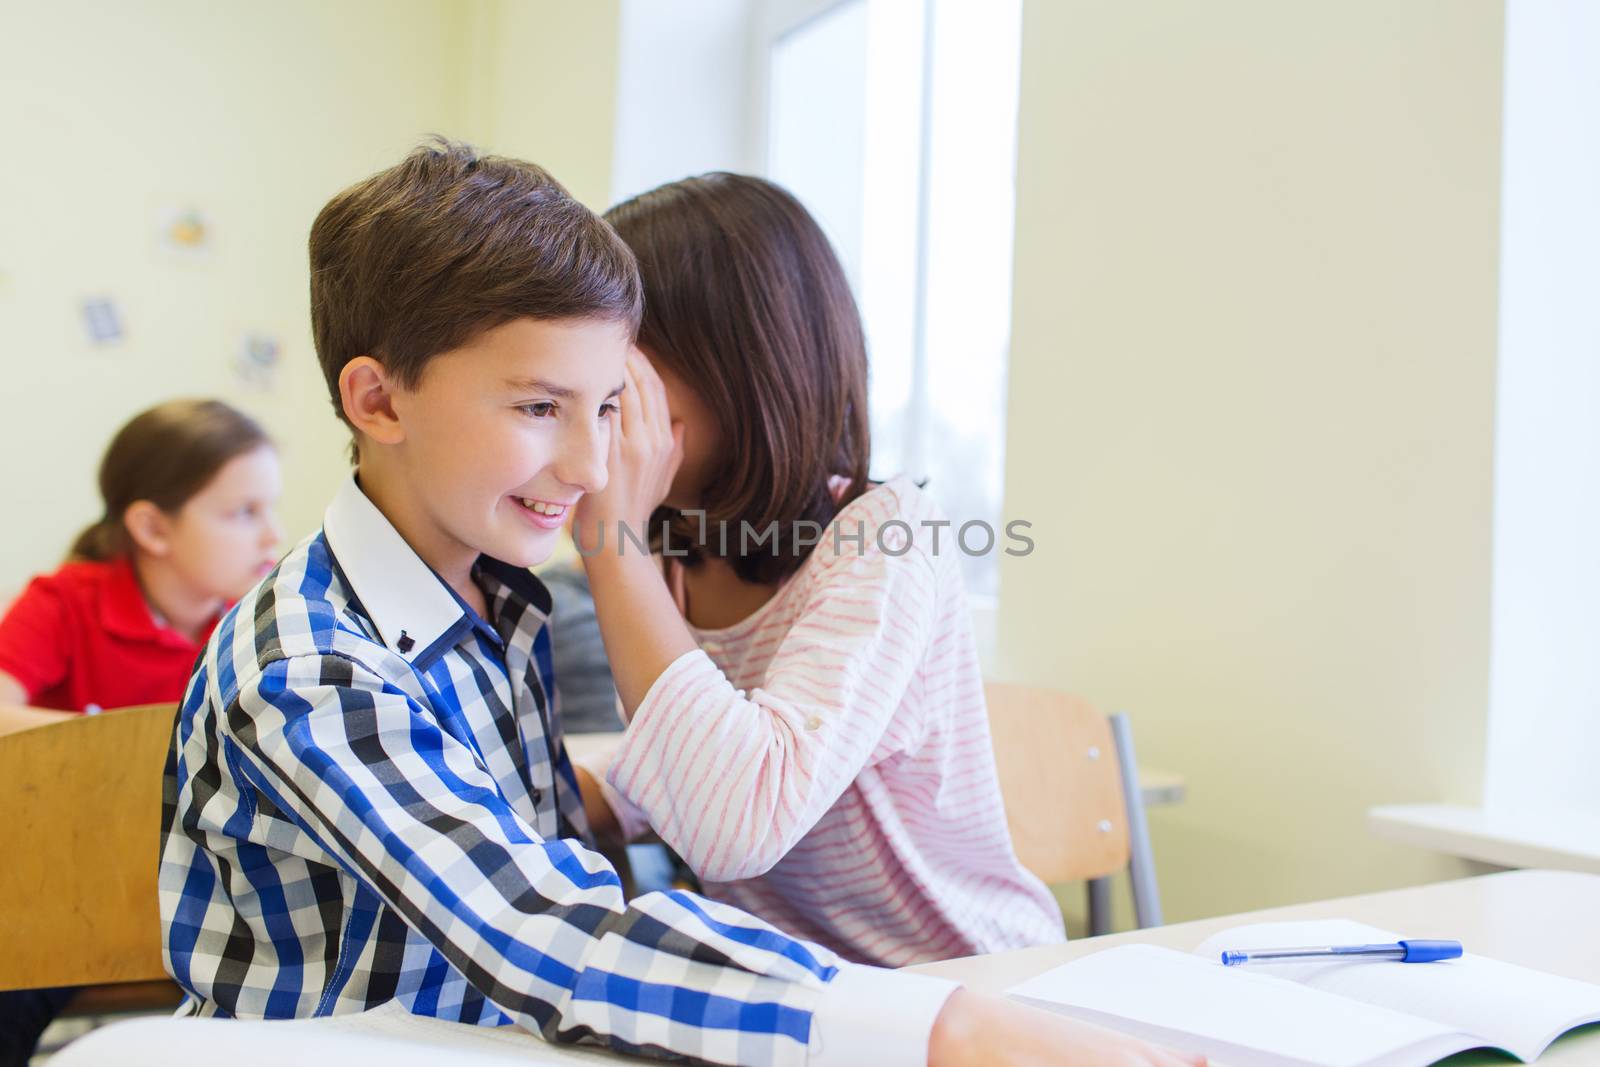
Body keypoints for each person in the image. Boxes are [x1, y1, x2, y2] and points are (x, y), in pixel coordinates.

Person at [157, 139, 1201, 1067]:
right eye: (539, 406)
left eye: (612, 403)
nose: (592, 457)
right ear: (378, 399)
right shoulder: (316, 663)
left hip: (921, 979)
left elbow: (578, 854)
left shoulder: (497, 601)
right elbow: (544, 926)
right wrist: (940, 1028)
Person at [573, 173, 1065, 968]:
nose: (594, 393)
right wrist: (591, 794)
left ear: (740, 358)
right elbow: (693, 740)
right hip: (806, 993)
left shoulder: (884, 535)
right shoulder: (670, 545)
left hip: (966, 975)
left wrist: (611, 543)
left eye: (621, 362)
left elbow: (737, 817)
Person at [0, 397, 281, 1067]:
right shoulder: (66, 600)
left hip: (202, 887)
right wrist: (111, 746)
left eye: (270, 509)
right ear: (153, 526)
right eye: (244, 513)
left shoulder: (255, 625)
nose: (272, 536)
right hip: (65, 889)